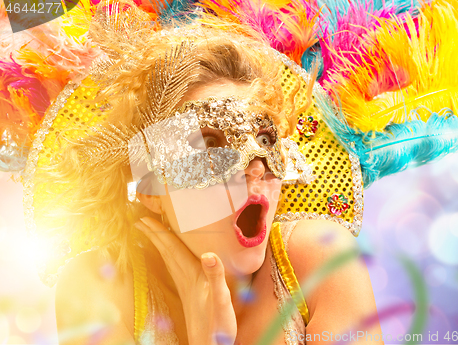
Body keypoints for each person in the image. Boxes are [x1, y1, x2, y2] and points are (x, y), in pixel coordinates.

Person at [25, 2, 383, 344]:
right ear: (149, 186)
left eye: (264, 136)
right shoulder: (98, 287)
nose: (254, 165)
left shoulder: (322, 261)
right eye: (212, 146)